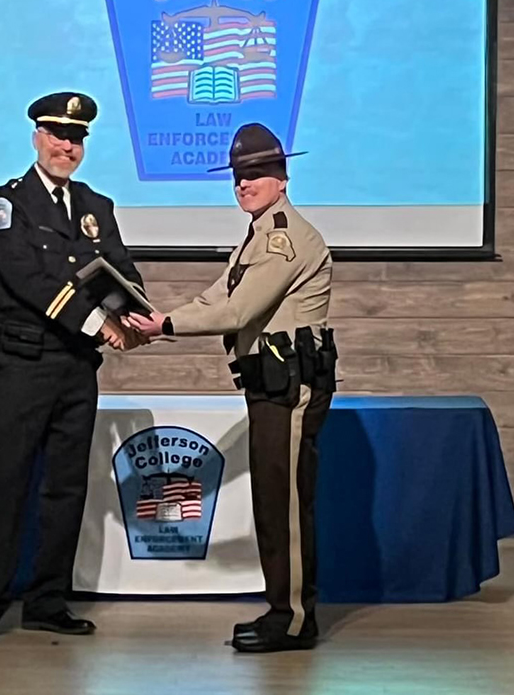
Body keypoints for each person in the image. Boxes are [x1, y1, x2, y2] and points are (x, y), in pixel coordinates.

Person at [128, 123, 337, 654]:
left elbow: (240, 310)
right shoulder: (259, 234)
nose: (245, 183)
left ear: (282, 178)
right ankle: (281, 610)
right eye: (239, 175)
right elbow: (215, 297)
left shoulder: (284, 237)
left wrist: (166, 328)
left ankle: (292, 620)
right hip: (271, 385)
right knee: (271, 500)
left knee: (284, 503)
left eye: (258, 174)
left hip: (290, 388)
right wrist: (160, 319)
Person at [0, 91, 144, 645]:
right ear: (36, 137)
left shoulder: (96, 206)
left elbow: (119, 272)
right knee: (8, 486)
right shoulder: (5, 205)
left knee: (65, 490)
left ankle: (46, 601)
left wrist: (136, 317)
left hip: (74, 369)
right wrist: (99, 326)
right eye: (57, 134)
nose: (67, 145)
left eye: (77, 137)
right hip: (21, 363)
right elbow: (31, 282)